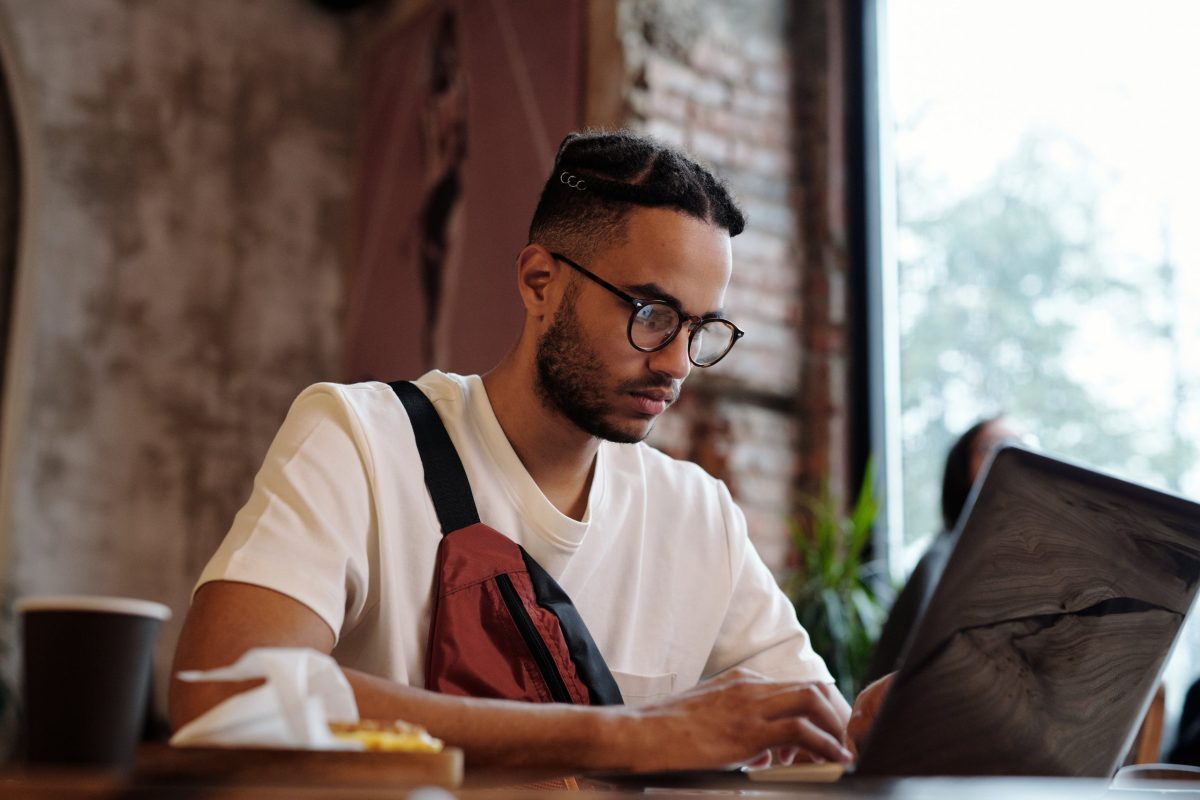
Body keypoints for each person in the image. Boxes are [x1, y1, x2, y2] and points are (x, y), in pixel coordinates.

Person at [170, 130, 888, 773]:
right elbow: (227, 690)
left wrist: (883, 726)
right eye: (651, 314)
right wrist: (626, 735)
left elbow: (813, 735)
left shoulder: (697, 513)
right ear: (540, 282)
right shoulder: (361, 438)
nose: (676, 362)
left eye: (701, 329)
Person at [864, 415, 1024, 685]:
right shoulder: (944, 560)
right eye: (995, 446)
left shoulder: (1026, 561)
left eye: (1021, 446)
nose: (1013, 457)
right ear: (962, 468)